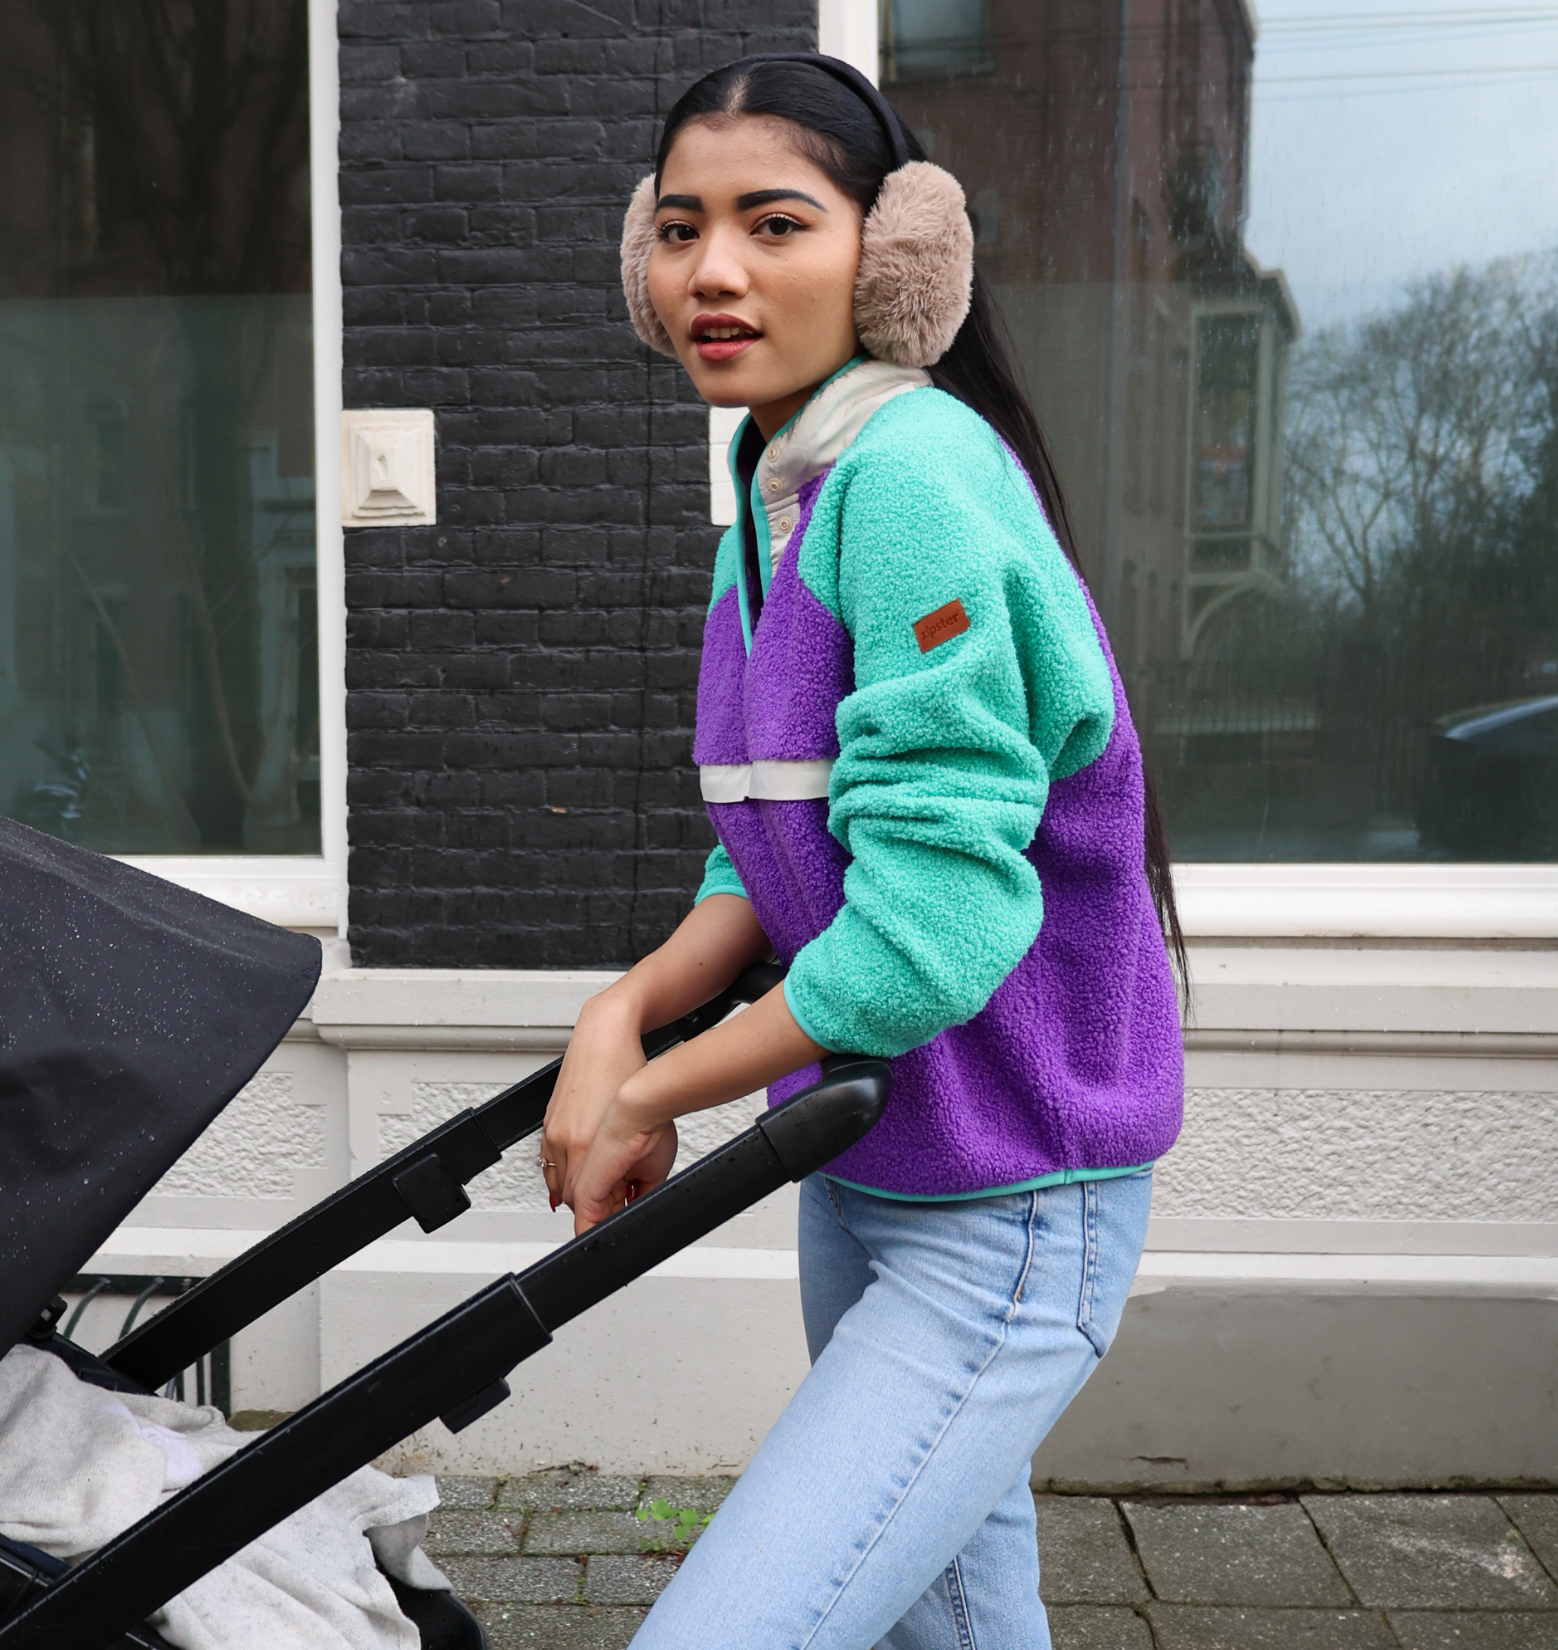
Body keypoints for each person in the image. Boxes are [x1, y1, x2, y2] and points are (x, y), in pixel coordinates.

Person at [538, 52, 1185, 1650]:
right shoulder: (781, 499)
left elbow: (926, 929)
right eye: (679, 229)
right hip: (868, 1166)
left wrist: (652, 1092)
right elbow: (769, 852)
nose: (714, 270)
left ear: (894, 254)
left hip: (1010, 1203)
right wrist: (621, 1011)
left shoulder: (908, 482)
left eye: (773, 223)